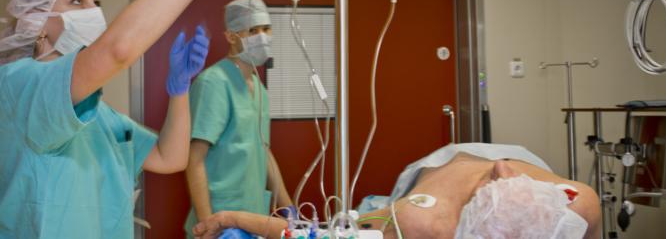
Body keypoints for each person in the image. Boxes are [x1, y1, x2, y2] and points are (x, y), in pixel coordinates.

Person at [0, 0, 265, 238]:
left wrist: (179, 89)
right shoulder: (16, 85)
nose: (94, 11)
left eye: (96, 2)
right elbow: (118, 50)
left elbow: (170, 157)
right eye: (78, 0)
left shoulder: (99, 115)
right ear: (36, 22)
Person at [191, 143, 602, 239]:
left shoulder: (578, 205)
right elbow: (318, 235)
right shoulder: (420, 221)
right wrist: (230, 217)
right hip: (427, 179)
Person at [185, 0, 293, 238]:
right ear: (231, 36)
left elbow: (263, 151)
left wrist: (290, 211)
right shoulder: (214, 82)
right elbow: (195, 159)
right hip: (219, 219)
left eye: (266, 29)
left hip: (254, 220)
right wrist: (207, 226)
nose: (262, 37)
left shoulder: (259, 88)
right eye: (253, 30)